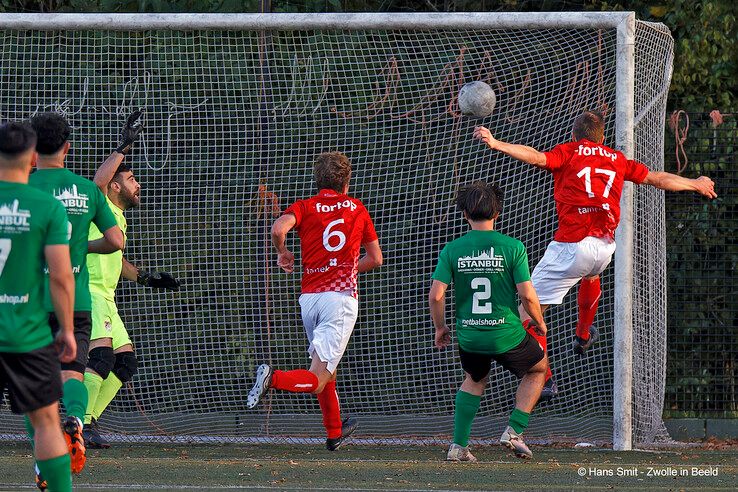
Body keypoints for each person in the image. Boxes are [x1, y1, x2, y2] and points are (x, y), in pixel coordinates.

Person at [473, 111, 717, 397]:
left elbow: (537, 157)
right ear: (603, 138)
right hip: (604, 248)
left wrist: (497, 143)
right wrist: (696, 183)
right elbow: (658, 179)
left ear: (574, 136)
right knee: (591, 275)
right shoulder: (617, 159)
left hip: (571, 247)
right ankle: (584, 334)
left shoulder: (569, 151)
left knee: (525, 315)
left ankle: (545, 378)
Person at [247, 151, 383, 451]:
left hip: (310, 299)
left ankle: (334, 431)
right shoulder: (357, 208)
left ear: (317, 180)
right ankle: (274, 379)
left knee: (326, 368)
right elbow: (375, 259)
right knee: (319, 377)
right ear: (346, 182)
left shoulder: (305, 206)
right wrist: (348, 268)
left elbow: (278, 228)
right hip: (340, 300)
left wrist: (282, 253)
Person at [27, 112, 125, 477]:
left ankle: (45, 463)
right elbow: (116, 241)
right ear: (68, 147)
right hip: (77, 303)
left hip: (34, 302)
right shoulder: (86, 189)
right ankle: (75, 421)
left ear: (32, 150)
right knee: (73, 374)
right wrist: (81, 248)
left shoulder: (22, 188)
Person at [82, 111, 181, 449]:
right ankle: (79, 422)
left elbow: (116, 257)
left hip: (106, 297)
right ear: (114, 186)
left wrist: (145, 278)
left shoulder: (118, 216)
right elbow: (96, 181)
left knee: (124, 363)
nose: (137, 185)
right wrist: (124, 146)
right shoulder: (99, 204)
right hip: (89, 293)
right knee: (100, 360)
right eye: (131, 179)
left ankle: (86, 421)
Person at [430, 180, 548, 461]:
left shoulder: (452, 249)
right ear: (498, 213)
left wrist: (440, 327)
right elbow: (528, 295)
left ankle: (458, 447)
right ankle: (514, 431)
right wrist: (539, 322)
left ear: (464, 214)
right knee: (538, 370)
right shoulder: (512, 247)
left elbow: (436, 295)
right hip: (505, 334)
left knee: (474, 378)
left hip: (470, 336)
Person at [0, 121, 76, 492]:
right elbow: (61, 277)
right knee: (46, 421)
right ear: (32, 158)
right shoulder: (46, 206)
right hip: (26, 334)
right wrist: (66, 329)